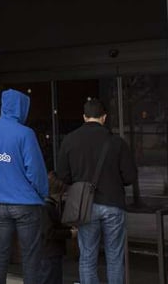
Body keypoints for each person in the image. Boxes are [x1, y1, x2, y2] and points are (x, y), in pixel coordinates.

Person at [56, 99, 138, 284]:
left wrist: (79, 182)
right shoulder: (116, 142)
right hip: (113, 203)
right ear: (104, 117)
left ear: (84, 117)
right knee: (115, 258)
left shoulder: (70, 139)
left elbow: (62, 174)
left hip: (85, 207)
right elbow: (130, 176)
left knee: (87, 257)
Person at [0, 89, 49, 284]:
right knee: (30, 257)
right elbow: (36, 171)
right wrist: (43, 194)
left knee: (0, 256)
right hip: (26, 204)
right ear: (21, 108)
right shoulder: (25, 134)